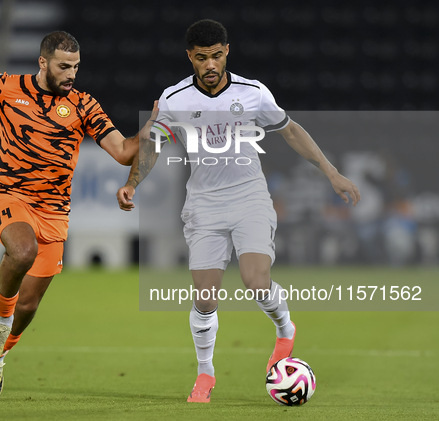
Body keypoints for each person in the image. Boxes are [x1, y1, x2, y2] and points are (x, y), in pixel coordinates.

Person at [117, 20, 360, 402]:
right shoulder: (174, 98)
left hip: (249, 196)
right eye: (201, 58)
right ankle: (205, 374)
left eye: (216, 56)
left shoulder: (253, 93)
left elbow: (291, 130)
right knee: (205, 298)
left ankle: (285, 329)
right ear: (190, 58)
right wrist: (132, 183)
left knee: (256, 281)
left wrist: (332, 173)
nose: (210, 65)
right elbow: (153, 144)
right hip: (203, 203)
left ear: (227, 51)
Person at [0, 31, 157, 398]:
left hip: (53, 211)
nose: (71, 74)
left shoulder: (83, 105)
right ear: (43, 62)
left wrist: (146, 133)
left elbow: (122, 151)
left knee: (29, 304)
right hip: (4, 194)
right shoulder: (3, 86)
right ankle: (0, 320)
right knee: (22, 251)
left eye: (76, 67)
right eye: (64, 66)